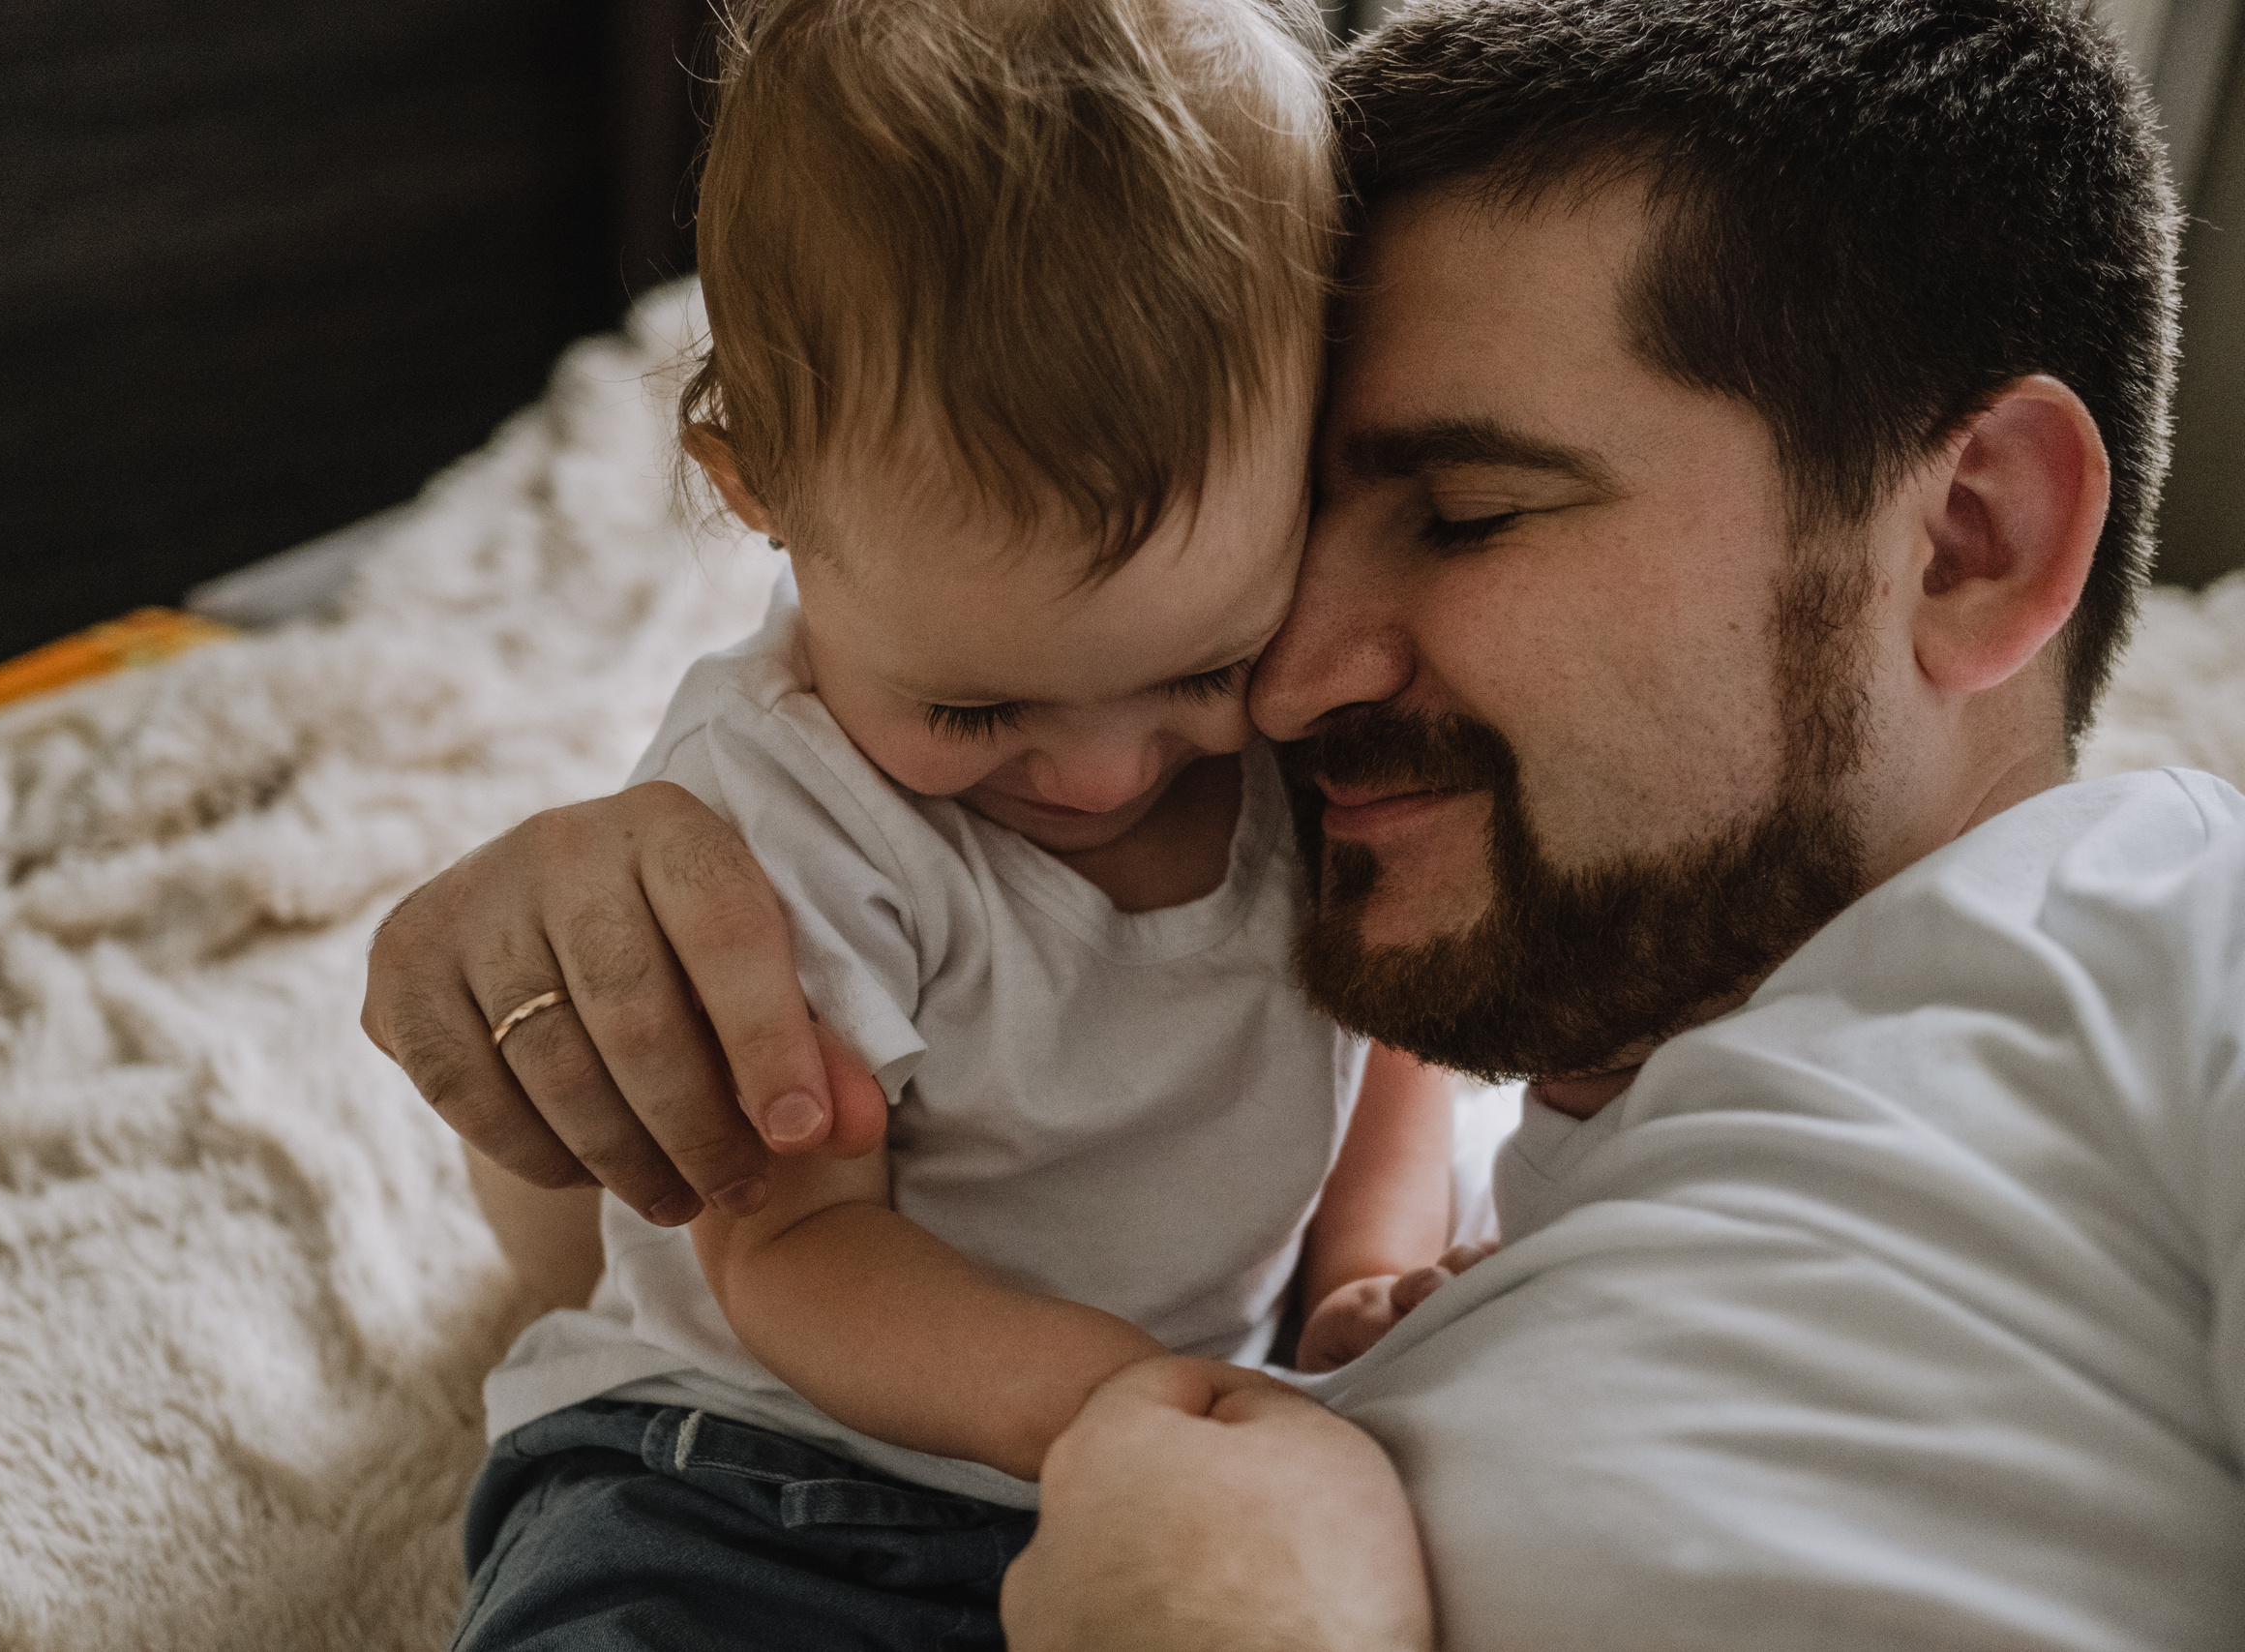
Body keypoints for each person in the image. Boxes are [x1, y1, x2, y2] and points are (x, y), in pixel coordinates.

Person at [368, 0, 2245, 1646]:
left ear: (1969, 535)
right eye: (1298, 541)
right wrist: (567, 973)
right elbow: (648, 1267)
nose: (1274, 693)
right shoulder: (1460, 1149)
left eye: (1461, 509)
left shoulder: (2169, 945)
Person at [422, 2, 1467, 1646]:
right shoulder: (777, 806)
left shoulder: (1313, 707)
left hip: (1152, 1450)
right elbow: (802, 1256)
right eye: (978, 711)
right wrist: (1125, 1403)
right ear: (761, 485)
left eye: (1201, 669)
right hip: (749, 1459)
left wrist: (1360, 1278)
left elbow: (1390, 1023)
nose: (1106, 773)